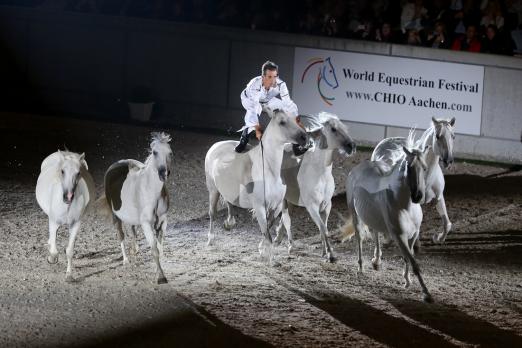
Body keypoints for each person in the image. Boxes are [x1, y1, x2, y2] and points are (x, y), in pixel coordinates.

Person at [235, 60, 300, 153]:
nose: (273, 80)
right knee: (252, 113)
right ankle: (243, 139)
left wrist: (296, 119)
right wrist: (257, 130)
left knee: (287, 109)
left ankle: (295, 142)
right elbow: (254, 108)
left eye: (275, 76)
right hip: (248, 99)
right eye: (269, 77)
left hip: (267, 99)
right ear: (263, 77)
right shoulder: (254, 85)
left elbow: (288, 103)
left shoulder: (281, 84)